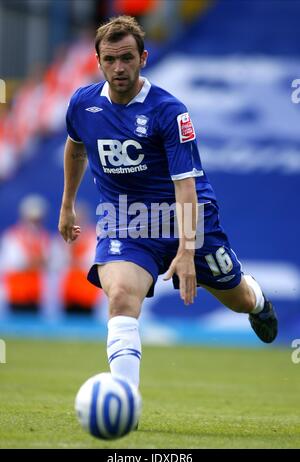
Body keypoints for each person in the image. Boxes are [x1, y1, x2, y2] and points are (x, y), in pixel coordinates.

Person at [58, 15, 278, 390]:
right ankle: (125, 400)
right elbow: (76, 145)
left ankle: (258, 301)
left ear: (143, 58)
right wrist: (67, 204)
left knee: (237, 298)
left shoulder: (169, 111)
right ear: (98, 62)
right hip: (126, 219)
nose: (118, 67)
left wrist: (188, 251)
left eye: (127, 57)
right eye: (109, 60)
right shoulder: (83, 104)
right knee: (122, 294)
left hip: (185, 217)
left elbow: (185, 186)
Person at [1, 194, 49, 312]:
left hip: (36, 294)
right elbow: (11, 263)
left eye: (38, 219)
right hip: (17, 293)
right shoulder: (12, 236)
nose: (35, 223)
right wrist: (34, 261)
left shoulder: (43, 237)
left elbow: (49, 263)